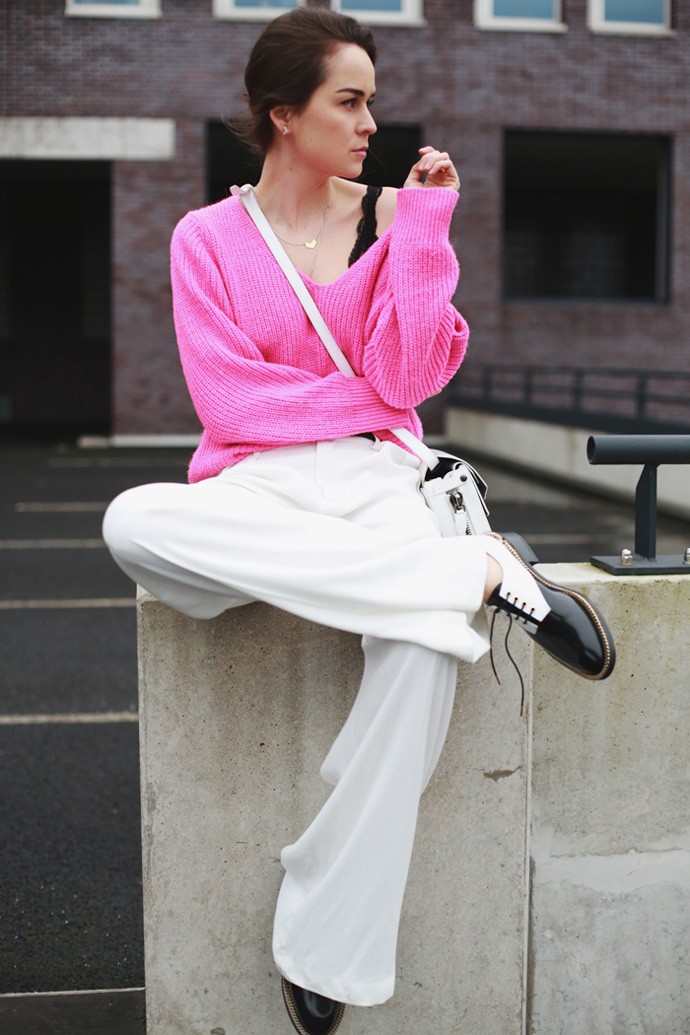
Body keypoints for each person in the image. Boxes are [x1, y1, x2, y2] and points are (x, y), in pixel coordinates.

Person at [102, 8, 615, 1034]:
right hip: (254, 488)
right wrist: (357, 402)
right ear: (284, 114)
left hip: (376, 478)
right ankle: (479, 572)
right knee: (133, 521)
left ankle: (327, 937)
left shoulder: (395, 220)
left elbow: (409, 380)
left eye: (371, 100)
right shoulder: (205, 239)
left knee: (423, 651)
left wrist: (425, 235)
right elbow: (230, 406)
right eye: (350, 101)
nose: (372, 121)